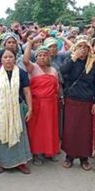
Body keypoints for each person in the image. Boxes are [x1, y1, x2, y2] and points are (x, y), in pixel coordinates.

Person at [0, 48, 33, 174]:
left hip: (17, 106)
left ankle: (21, 162)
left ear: (15, 58)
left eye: (10, 57)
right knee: (3, 132)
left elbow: (27, 92)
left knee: (19, 132)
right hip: (1, 107)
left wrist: (30, 108)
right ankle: (3, 162)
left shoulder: (21, 73)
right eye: (5, 57)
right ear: (1, 59)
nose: (8, 59)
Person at [60, 35, 95, 171]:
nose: (83, 50)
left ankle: (84, 158)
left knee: (85, 131)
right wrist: (74, 58)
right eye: (80, 47)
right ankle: (69, 157)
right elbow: (62, 72)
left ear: (89, 49)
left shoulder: (93, 63)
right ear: (76, 47)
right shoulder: (70, 60)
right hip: (72, 99)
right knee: (70, 130)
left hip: (86, 101)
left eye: (85, 47)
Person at [23, 36, 60, 165]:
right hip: (37, 103)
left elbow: (56, 87)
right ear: (36, 57)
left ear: (49, 57)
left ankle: (50, 151)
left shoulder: (54, 70)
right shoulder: (33, 68)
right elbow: (25, 60)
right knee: (37, 130)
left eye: (45, 55)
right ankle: (37, 153)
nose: (42, 57)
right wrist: (30, 42)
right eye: (40, 55)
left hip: (51, 104)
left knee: (50, 128)